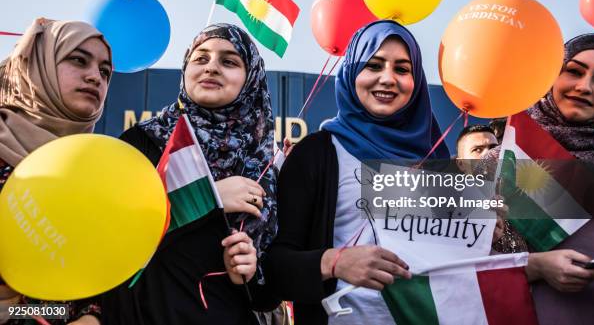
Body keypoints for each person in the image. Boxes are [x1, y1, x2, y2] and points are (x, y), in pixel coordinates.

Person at [264, 20, 450, 325]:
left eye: (402, 69)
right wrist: (334, 262)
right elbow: (272, 270)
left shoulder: (437, 160)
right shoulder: (317, 153)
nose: (388, 79)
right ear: (351, 74)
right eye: (374, 66)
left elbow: (462, 261)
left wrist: (493, 233)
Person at [101, 23, 279, 325]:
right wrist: (209, 197)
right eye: (201, 58)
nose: (211, 68)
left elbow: (268, 296)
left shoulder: (260, 164)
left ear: (250, 79)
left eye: (229, 61)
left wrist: (250, 273)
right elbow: (110, 233)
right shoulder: (143, 141)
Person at [491, 32, 594, 325]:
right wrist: (534, 266)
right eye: (573, 72)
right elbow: (453, 262)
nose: (584, 87)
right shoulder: (498, 161)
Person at [0, 18, 113, 325]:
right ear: (39, 66)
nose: (95, 78)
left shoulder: (101, 176)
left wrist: (92, 316)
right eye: (78, 60)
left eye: (105, 72)